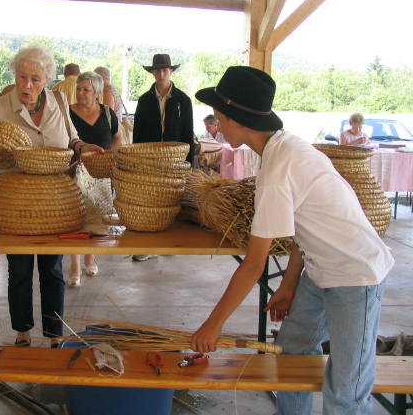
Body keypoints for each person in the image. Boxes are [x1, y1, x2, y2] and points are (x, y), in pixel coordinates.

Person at [192, 66, 393, 415]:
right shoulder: (281, 149)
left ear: (239, 120)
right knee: (293, 350)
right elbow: (306, 226)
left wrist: (214, 324)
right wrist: (288, 285)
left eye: (221, 118)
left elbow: (254, 264)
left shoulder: (278, 167)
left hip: (356, 275)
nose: (218, 125)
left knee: (346, 392)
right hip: (321, 270)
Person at [0, 45, 103, 347]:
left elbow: (72, 139)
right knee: (20, 270)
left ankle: (55, 335)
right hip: (15, 206)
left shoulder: (58, 101)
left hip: (56, 202)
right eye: (22, 77)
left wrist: (84, 147)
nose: (27, 85)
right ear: (15, 76)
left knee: (52, 270)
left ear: (47, 80)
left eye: (36, 79)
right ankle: (22, 333)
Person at [132, 53, 195, 261]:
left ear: (171, 71)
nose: (160, 73)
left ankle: (168, 243)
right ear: (153, 73)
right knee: (149, 202)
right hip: (149, 160)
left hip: (175, 161)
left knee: (171, 201)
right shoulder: (144, 100)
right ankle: (147, 246)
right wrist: (137, 161)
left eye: (164, 69)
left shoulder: (183, 101)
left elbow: (188, 133)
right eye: (157, 70)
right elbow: (137, 134)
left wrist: (189, 165)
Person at [67, 71, 121, 287]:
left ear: (97, 92)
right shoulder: (68, 113)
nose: (81, 93)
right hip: (73, 173)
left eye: (86, 89)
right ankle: (75, 265)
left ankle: (91, 256)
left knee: (97, 218)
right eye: (79, 89)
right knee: (74, 218)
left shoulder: (108, 114)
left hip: (100, 176)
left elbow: (117, 137)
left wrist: (113, 159)